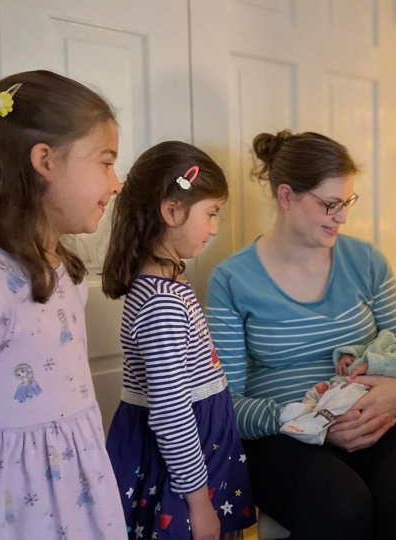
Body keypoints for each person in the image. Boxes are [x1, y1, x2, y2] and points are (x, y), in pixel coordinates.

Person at [206, 130, 396, 540]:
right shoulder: (232, 279)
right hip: (284, 437)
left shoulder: (366, 261)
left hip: (383, 420)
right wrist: (312, 422)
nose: (342, 217)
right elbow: (225, 405)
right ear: (286, 197)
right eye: (330, 205)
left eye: (347, 202)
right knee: (340, 505)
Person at [0, 70, 125, 538]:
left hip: (76, 497)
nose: (117, 182)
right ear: (45, 160)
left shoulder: (63, 274)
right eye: (106, 162)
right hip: (8, 515)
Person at [101, 141, 255, 540]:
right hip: (185, 477)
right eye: (211, 213)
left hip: (196, 462)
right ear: (171, 210)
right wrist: (200, 502)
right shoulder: (161, 303)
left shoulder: (167, 284)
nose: (216, 227)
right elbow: (170, 414)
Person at [280, 328, 396, 445]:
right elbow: (367, 349)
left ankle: (312, 428)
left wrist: (372, 365)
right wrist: (350, 355)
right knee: (320, 391)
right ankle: (305, 410)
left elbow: (395, 364)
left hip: (362, 391)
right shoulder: (392, 341)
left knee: (337, 405)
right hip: (344, 382)